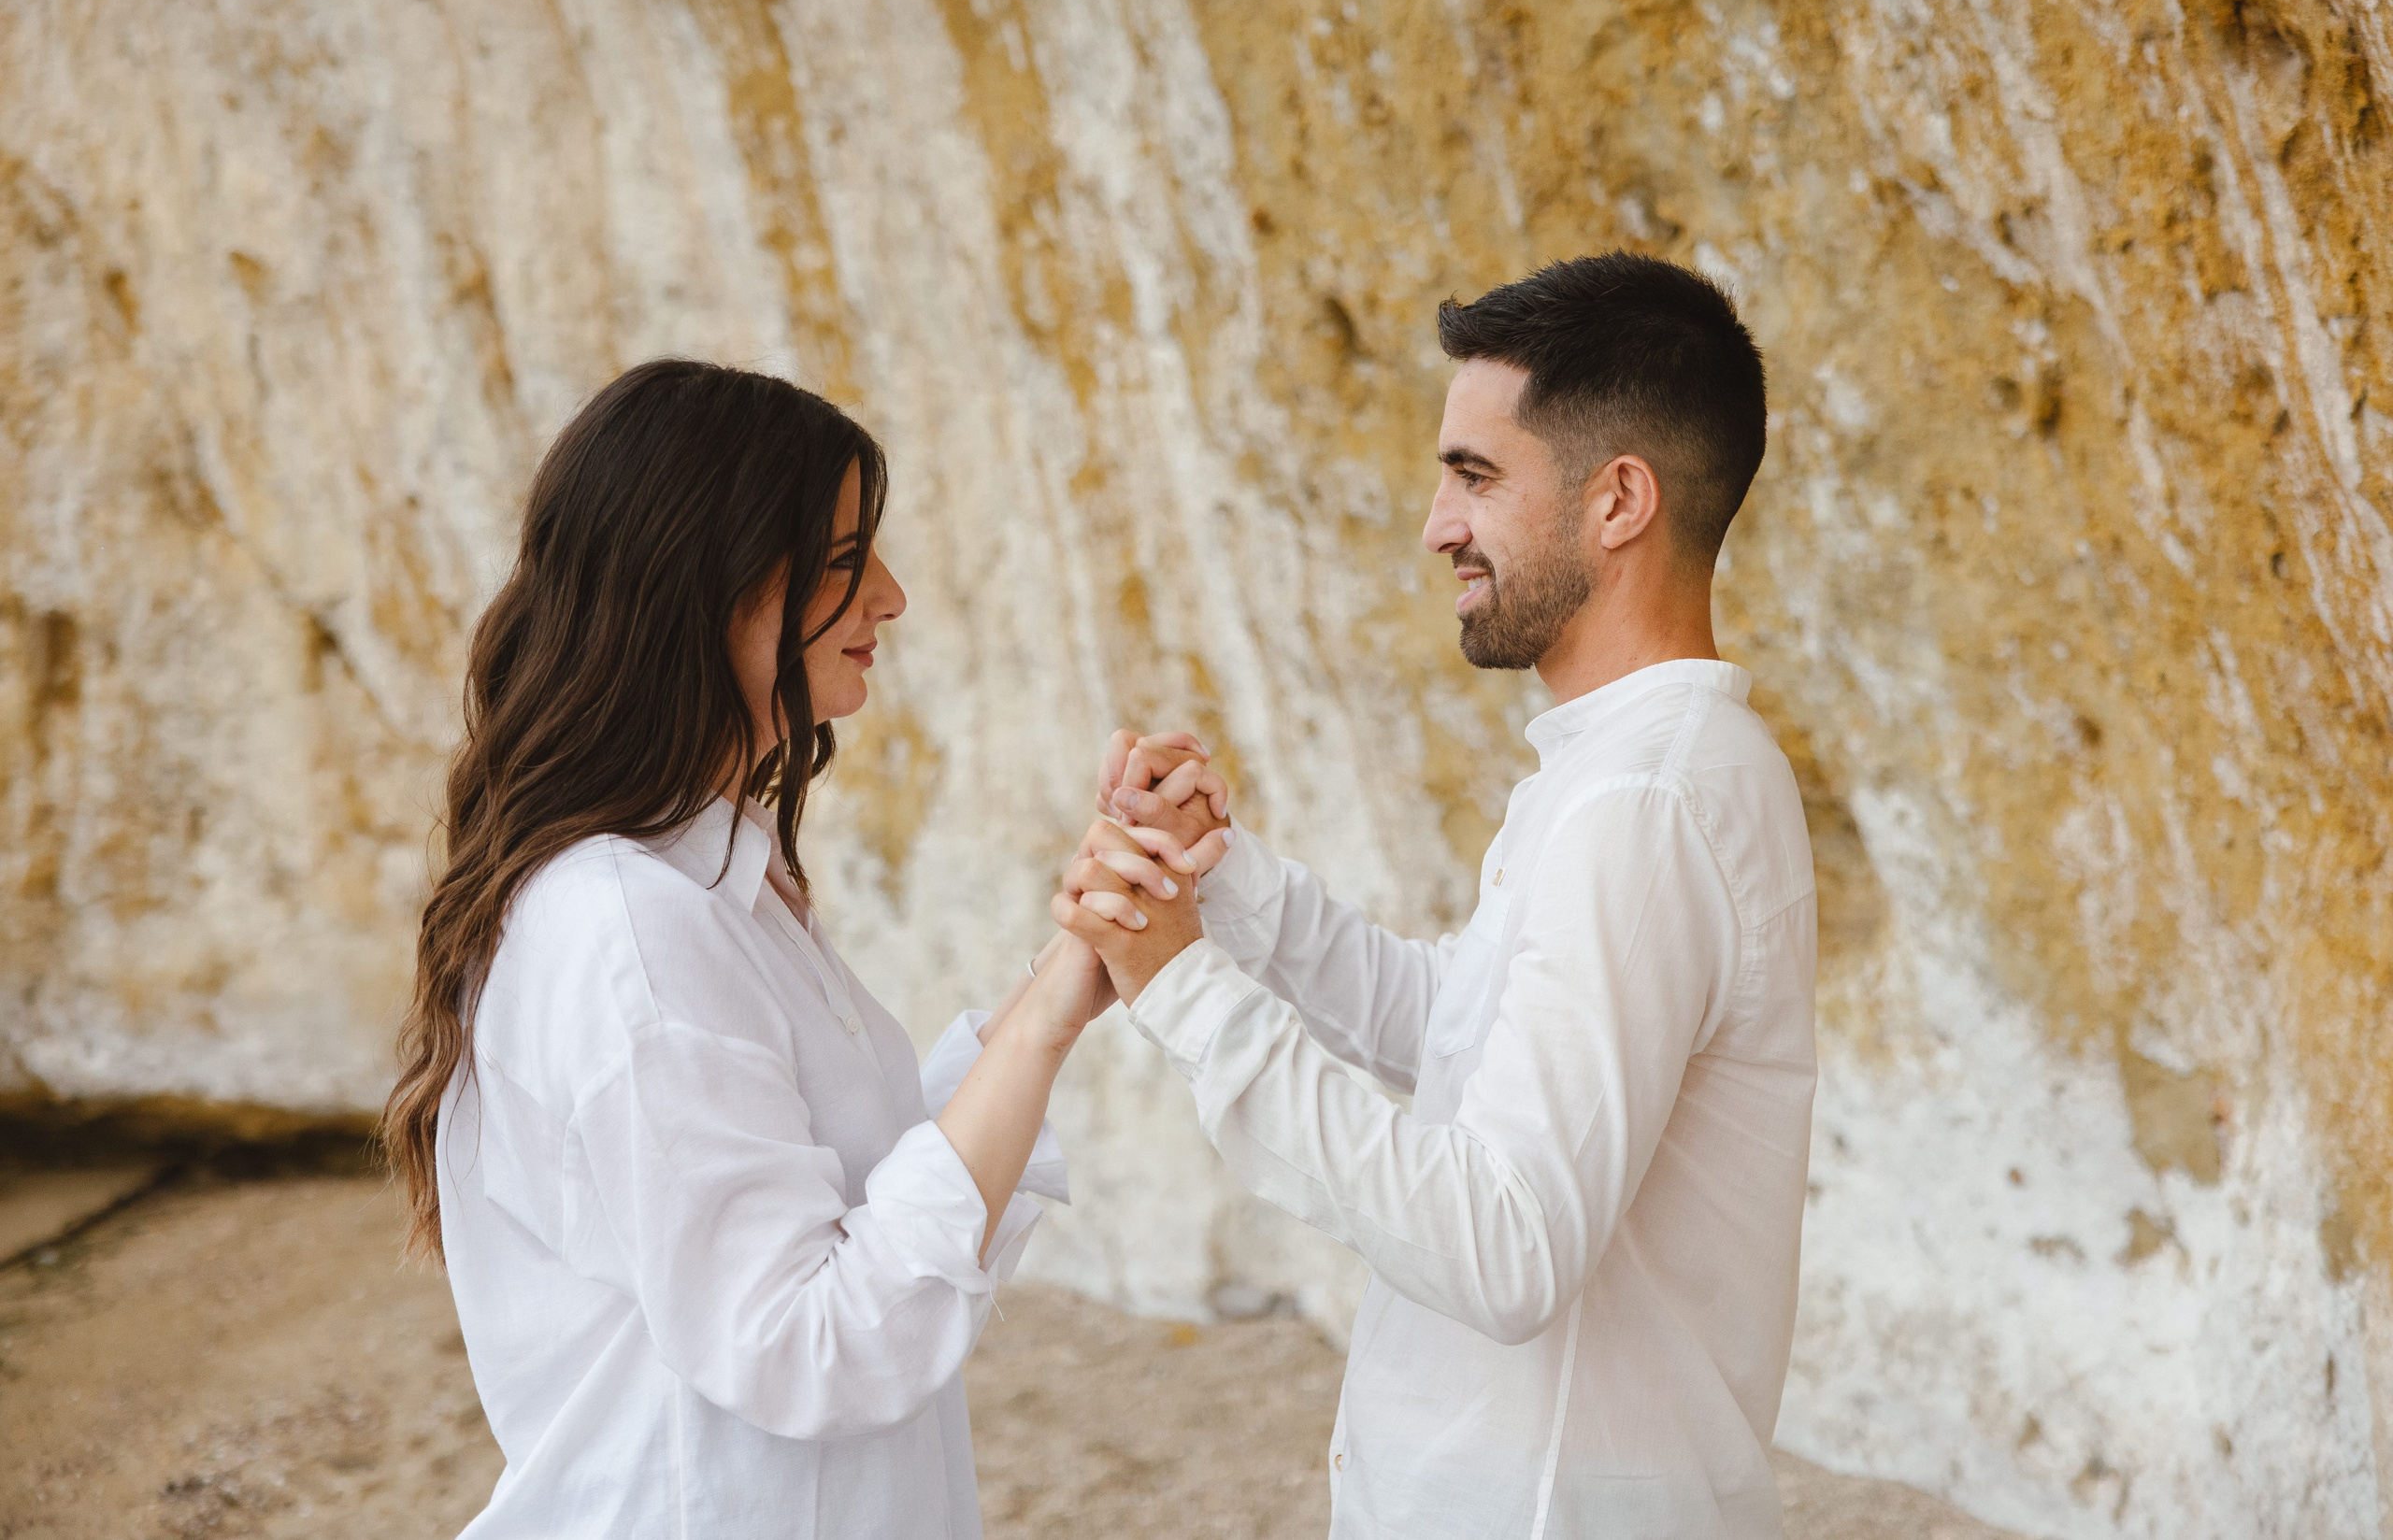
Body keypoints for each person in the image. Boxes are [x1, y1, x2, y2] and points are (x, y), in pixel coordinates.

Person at [1058, 254, 1819, 1538]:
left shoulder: (1645, 805)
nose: (1435, 524)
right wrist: (1225, 887)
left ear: (1618, 498)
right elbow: (1464, 1031)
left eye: (1474, 474)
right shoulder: (1614, 774)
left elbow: (1504, 1241)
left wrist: (1183, 990)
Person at [378, 360, 1195, 1539]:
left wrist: (1075, 963)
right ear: (706, 589)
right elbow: (812, 1345)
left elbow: (849, 1205)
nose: (892, 597)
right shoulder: (632, 931)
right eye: (842, 564)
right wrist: (1051, 1017)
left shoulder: (705, 884)